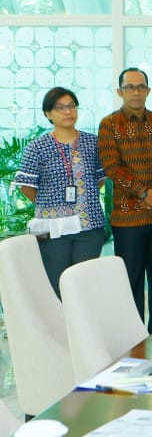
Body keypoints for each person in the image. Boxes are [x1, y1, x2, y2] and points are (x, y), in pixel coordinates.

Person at [97, 68, 152, 333]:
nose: (136, 92)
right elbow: (112, 168)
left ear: (148, 91)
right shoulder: (109, 125)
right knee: (130, 282)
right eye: (130, 87)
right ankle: (134, 339)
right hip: (127, 219)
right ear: (120, 91)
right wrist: (144, 192)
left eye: (141, 87)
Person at [15, 87, 106, 296]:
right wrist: (51, 205)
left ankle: (83, 328)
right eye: (61, 107)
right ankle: (60, 329)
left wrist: (83, 200)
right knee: (57, 287)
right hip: (52, 230)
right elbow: (26, 186)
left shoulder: (92, 143)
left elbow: (99, 180)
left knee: (85, 285)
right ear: (48, 113)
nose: (68, 111)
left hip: (89, 226)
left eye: (72, 106)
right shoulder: (37, 146)